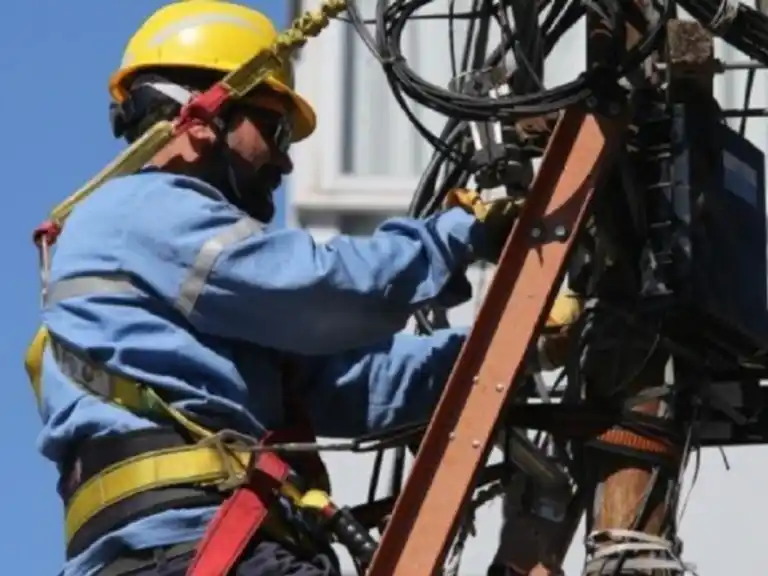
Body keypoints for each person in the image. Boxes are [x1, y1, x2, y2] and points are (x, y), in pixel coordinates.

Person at [27, 2, 578, 575]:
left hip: (207, 549)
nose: (285, 159)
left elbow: (346, 385)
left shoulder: (201, 297)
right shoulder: (138, 212)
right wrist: (458, 236)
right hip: (189, 551)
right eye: (274, 127)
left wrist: (518, 343)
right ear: (202, 115)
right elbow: (318, 289)